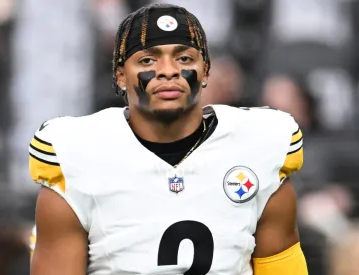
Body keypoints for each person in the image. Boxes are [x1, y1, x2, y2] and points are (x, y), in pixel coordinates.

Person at [29, 3, 308, 274]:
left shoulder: (258, 145)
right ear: (120, 76)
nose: (168, 71)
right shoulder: (77, 155)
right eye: (148, 59)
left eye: (184, 58)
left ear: (206, 71)